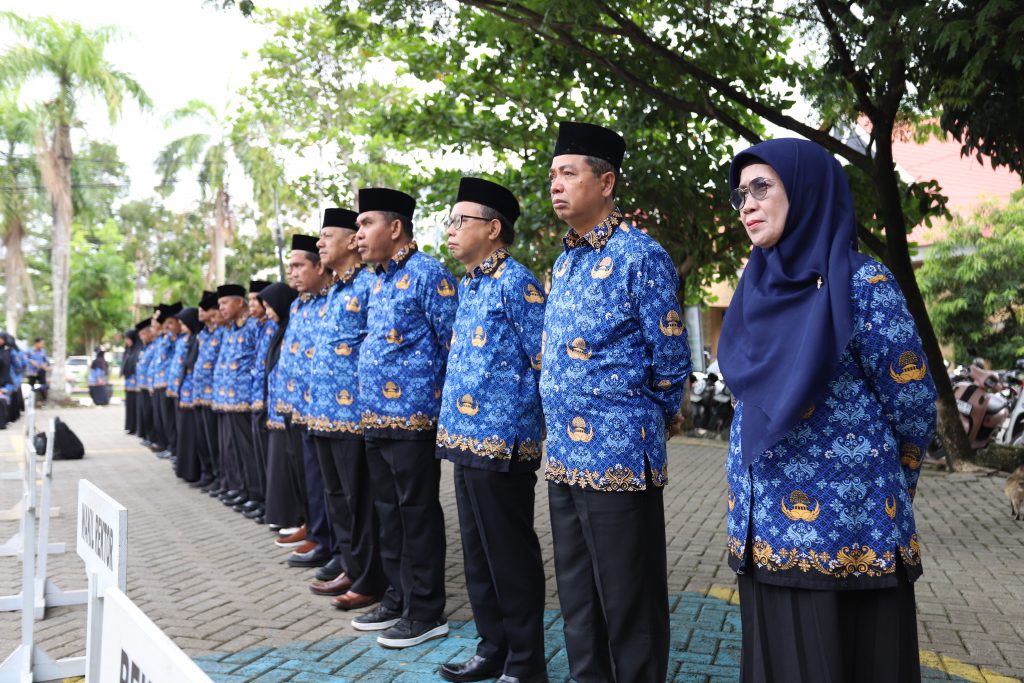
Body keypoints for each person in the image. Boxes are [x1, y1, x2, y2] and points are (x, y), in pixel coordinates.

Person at [717, 138, 937, 683]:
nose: (747, 204)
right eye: (740, 194)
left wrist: (888, 487)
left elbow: (912, 400)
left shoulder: (861, 283)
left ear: (809, 190)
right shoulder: (754, 289)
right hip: (761, 530)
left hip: (851, 536)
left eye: (762, 187)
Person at [540, 121, 691, 682]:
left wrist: (644, 417)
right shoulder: (565, 262)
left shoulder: (640, 257)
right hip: (565, 460)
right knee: (578, 601)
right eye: (553, 174)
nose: (555, 184)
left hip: (620, 457)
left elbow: (670, 358)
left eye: (568, 173)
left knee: (630, 604)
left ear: (606, 183)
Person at [436, 178, 547, 683]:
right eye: (450, 221)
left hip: (503, 441)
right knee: (478, 556)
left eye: (461, 221)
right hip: (463, 439)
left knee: (509, 556)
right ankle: (492, 650)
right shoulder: (471, 282)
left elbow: (544, 360)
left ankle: (525, 664)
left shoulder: (516, 281)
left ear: (494, 228)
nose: (451, 230)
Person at [353, 187, 458, 649]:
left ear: (395, 228)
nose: (358, 234)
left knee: (416, 514)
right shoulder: (378, 280)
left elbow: (454, 344)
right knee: (388, 514)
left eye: (365, 224)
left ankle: (426, 611)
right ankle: (398, 597)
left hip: (414, 421)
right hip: (376, 418)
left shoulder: (428, 274)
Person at [307, 208, 385, 609]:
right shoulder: (335, 289)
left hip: (354, 416)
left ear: (352, 241)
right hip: (323, 414)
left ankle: (370, 578)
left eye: (327, 236)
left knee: (360, 502)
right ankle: (351, 568)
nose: (319, 244)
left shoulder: (370, 286)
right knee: (337, 498)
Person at [258, 281, 303, 533]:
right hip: (277, 406)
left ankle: (293, 517)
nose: (268, 313)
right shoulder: (279, 329)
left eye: (269, 307)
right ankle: (280, 514)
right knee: (278, 464)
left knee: (288, 466)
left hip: (289, 407)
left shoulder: (289, 326)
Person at [211, 284, 258, 512]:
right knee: (231, 448)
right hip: (225, 400)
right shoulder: (230, 329)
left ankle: (252, 492)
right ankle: (237, 488)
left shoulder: (251, 327)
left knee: (246, 450)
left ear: (240, 303)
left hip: (242, 398)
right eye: (219, 304)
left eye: (225, 303)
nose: (221, 308)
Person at [242, 280, 273, 523]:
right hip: (255, 396)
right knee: (257, 455)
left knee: (265, 457)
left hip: (267, 399)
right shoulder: (259, 326)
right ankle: (260, 499)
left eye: (257, 299)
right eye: (251, 299)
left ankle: (266, 502)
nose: (253, 304)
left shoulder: (273, 326)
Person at [173, 306, 203, 483]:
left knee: (192, 434)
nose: (182, 328)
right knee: (184, 432)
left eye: (184, 324)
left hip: (194, 395)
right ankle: (185, 469)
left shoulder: (198, 339)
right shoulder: (190, 339)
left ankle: (193, 471)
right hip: (185, 392)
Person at [122, 328, 140, 434]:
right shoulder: (128, 350)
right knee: (129, 405)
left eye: (128, 339)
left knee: (136, 405)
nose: (127, 341)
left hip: (136, 383)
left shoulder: (138, 349)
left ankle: (137, 427)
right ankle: (130, 426)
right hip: (128, 383)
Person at [26, 337, 49, 403]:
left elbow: (46, 360)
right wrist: (31, 361)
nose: (42, 345)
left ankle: (43, 400)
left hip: (41, 370)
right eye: (41, 343)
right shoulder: (29, 351)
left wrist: (45, 364)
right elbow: (25, 359)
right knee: (31, 385)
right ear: (37, 343)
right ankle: (31, 400)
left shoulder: (43, 351)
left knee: (43, 385)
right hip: (32, 371)